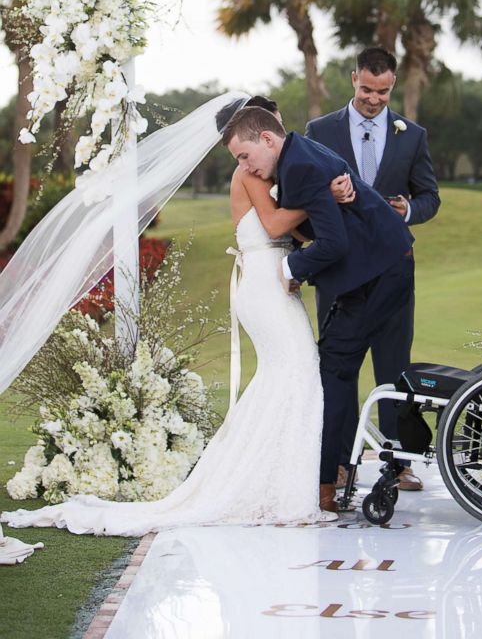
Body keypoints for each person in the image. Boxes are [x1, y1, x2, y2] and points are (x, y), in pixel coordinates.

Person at [1, 95, 349, 535]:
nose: (278, 129)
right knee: (296, 372)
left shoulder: (275, 168)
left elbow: (289, 227)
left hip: (272, 275)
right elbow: (276, 225)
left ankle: (274, 482)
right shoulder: (250, 171)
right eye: (269, 123)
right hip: (264, 281)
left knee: (291, 375)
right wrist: (326, 195)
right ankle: (270, 487)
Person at [222, 104, 415, 514]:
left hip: (374, 275)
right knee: (327, 368)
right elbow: (313, 224)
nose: (245, 167)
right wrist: (325, 200)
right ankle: (328, 476)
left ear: (268, 139)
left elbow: (333, 242)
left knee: (330, 369)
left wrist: (292, 267)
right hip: (372, 270)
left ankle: (327, 480)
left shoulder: (300, 166)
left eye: (245, 156)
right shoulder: (298, 158)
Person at [306, 47, 440, 491]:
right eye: (367, 89)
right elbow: (305, 197)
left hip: (393, 273)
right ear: (353, 79)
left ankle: (398, 462)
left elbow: (430, 198)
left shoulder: (413, 134)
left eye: (383, 91)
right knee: (338, 370)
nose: (375, 99)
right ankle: (339, 462)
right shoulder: (319, 131)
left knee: (394, 367)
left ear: (393, 84)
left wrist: (407, 211)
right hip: (341, 272)